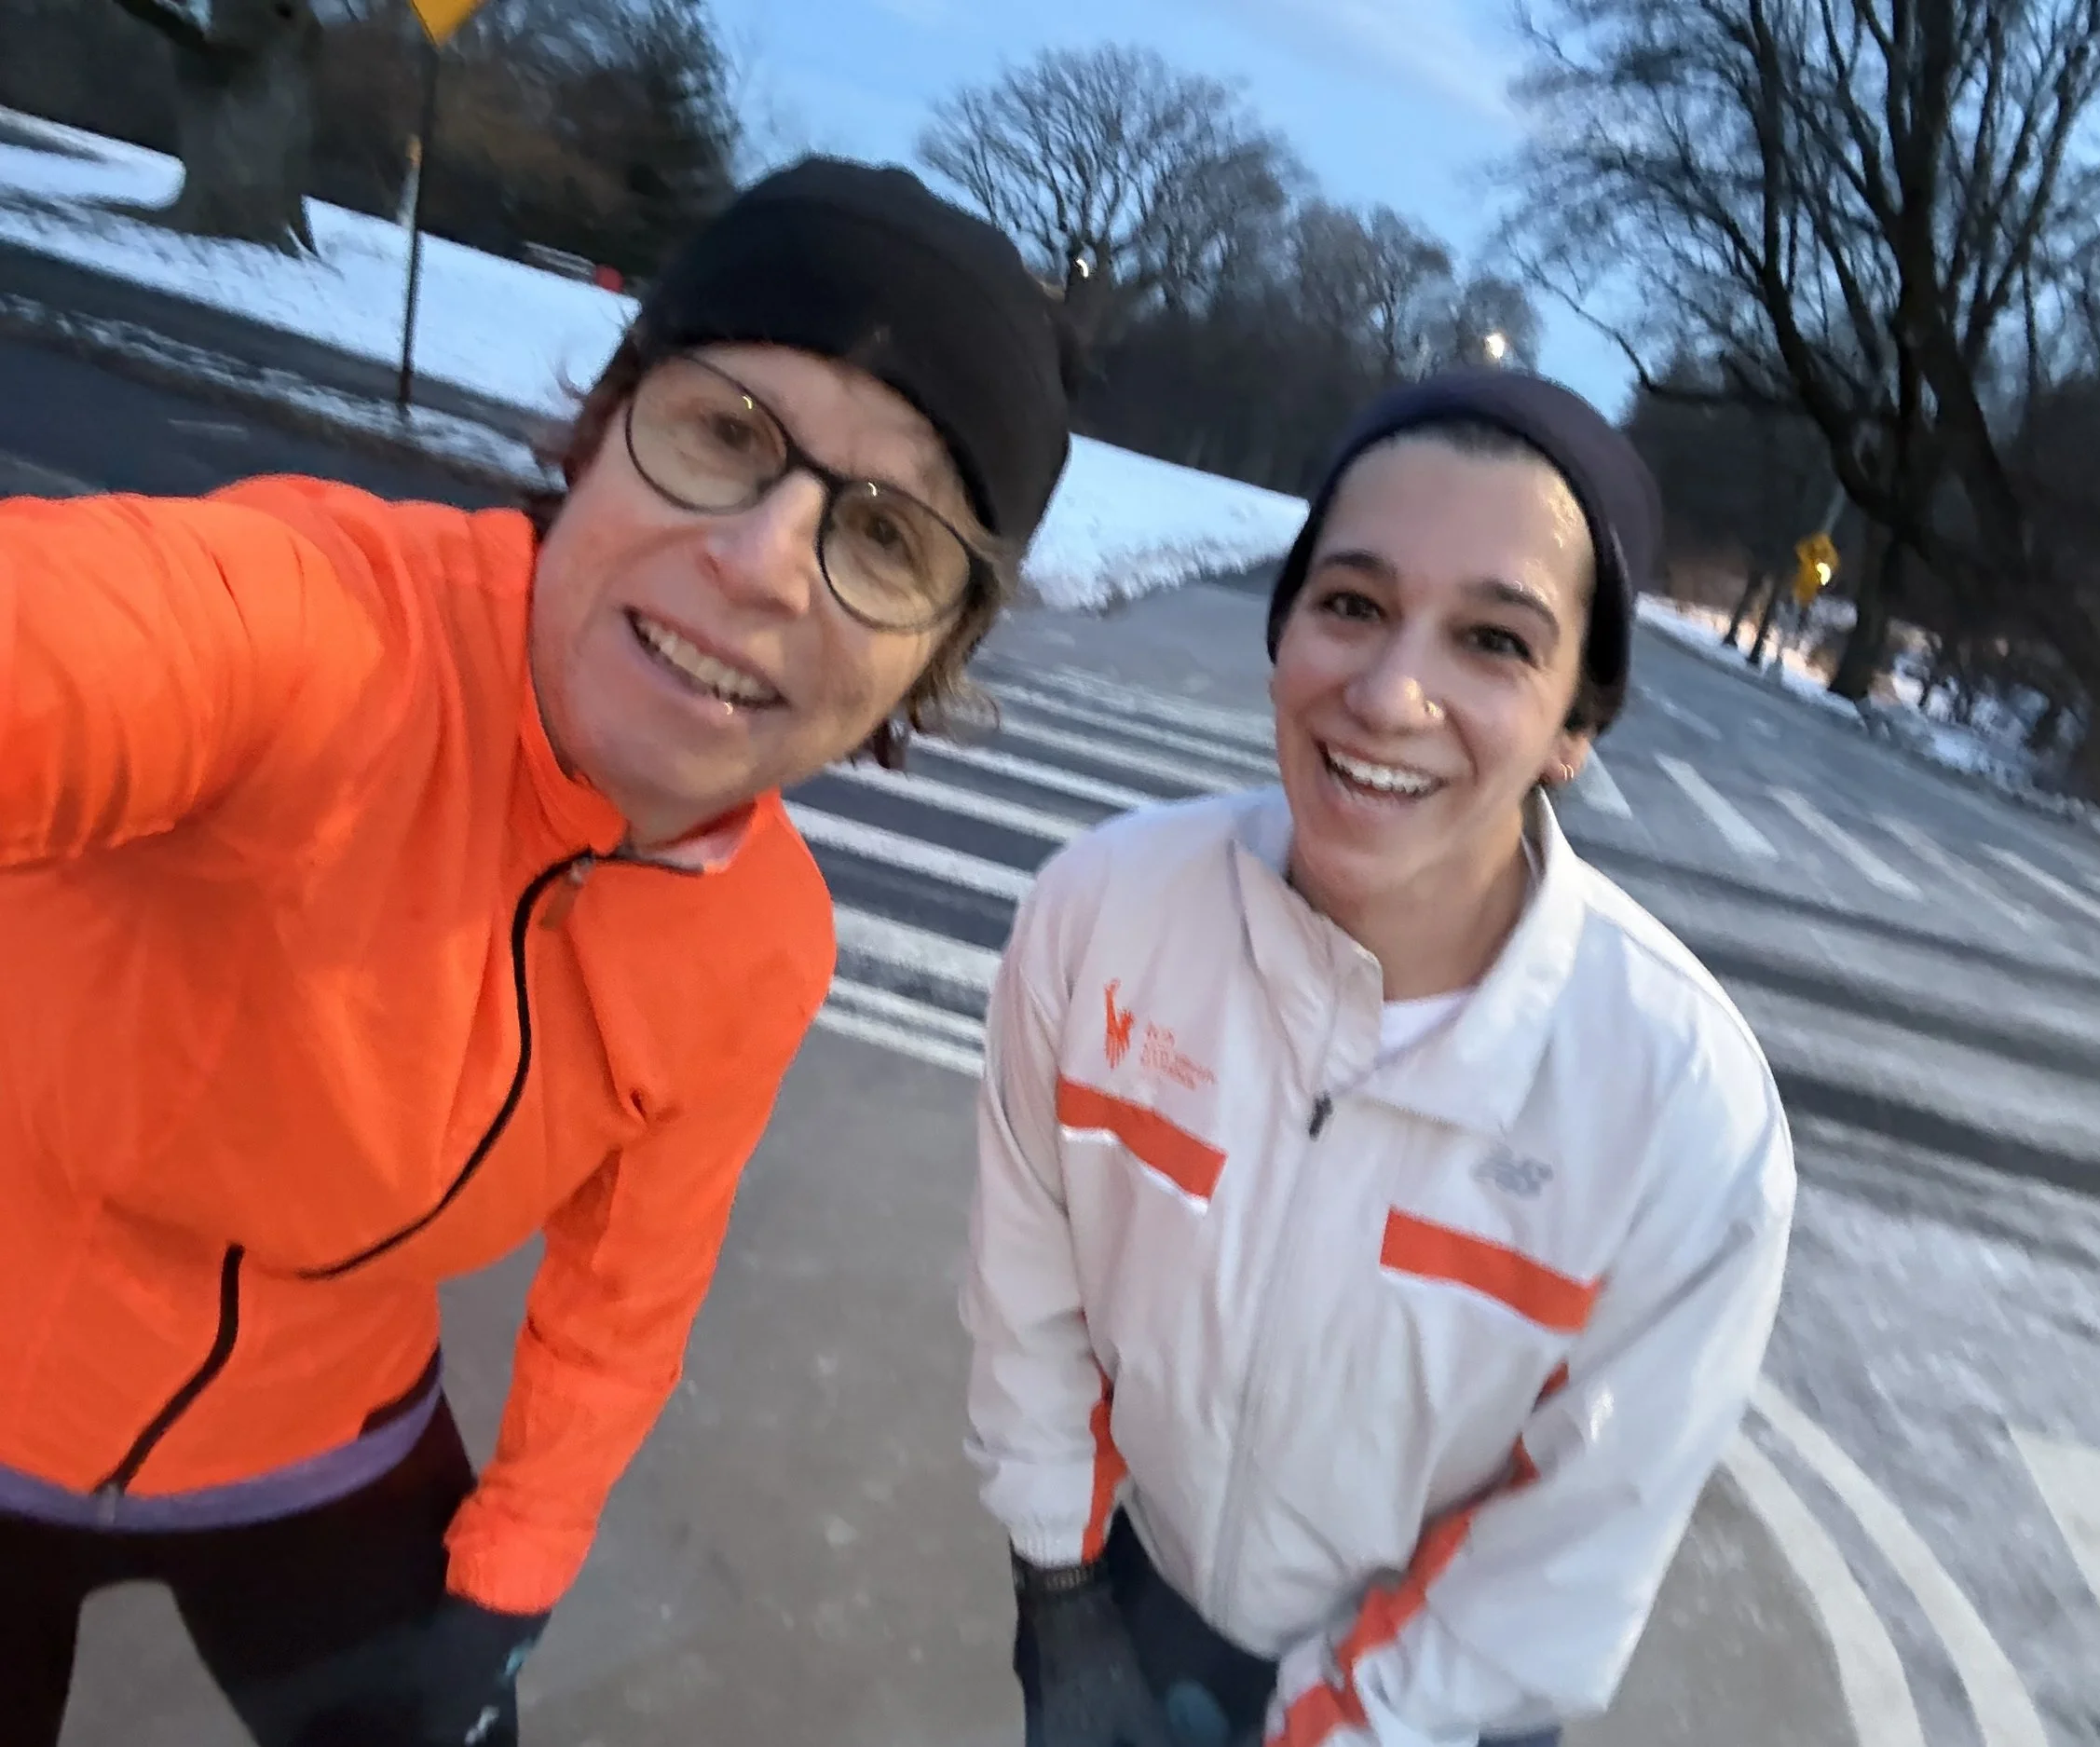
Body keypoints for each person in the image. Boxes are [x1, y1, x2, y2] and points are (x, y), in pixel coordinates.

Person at [0, 157, 1072, 1744]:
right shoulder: (323, 633)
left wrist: (513, 1575)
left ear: (929, 658)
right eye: (725, 433)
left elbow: (625, 1293)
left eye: (889, 538)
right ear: (598, 430)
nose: (766, 560)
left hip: (326, 1436)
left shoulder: (763, 939)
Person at [963, 370, 1796, 1747]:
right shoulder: (1101, 913)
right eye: (1351, 603)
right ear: (1282, 626)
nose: (1392, 692)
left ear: (1577, 728)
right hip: (1128, 1609)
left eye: (1494, 641)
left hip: (1434, 1710)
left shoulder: (1680, 1108)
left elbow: (1569, 1549)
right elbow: (1027, 1292)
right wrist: (1057, 1590)